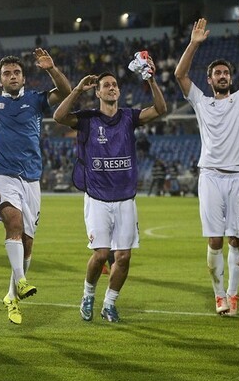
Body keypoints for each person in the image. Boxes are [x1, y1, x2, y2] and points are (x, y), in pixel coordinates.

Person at [0, 49, 71, 324]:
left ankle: (12, 297)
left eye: (17, 72)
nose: (13, 76)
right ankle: (21, 280)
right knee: (14, 223)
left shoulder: (36, 100)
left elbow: (65, 92)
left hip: (31, 177)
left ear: (24, 77)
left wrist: (51, 69)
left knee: (27, 241)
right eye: (7, 74)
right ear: (0, 81)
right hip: (3, 174)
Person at [54, 65, 166, 323]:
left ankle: (110, 303)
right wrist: (77, 90)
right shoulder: (88, 119)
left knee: (124, 257)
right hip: (97, 199)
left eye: (115, 85)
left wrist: (151, 80)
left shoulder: (129, 117)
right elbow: (59, 117)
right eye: (106, 85)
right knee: (102, 254)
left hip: (125, 199)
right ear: (98, 92)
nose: (112, 88)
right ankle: (88, 295)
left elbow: (160, 109)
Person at [173, 8, 239, 317]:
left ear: (231, 78)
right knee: (215, 239)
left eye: (226, 73)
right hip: (211, 176)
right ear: (210, 79)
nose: (223, 76)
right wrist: (193, 43)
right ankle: (219, 297)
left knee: (236, 238)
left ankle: (233, 294)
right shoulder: (201, 101)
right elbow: (180, 75)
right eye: (218, 73)